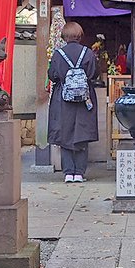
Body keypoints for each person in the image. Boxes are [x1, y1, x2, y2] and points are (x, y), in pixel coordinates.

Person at [48, 22, 99, 183]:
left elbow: (52, 75)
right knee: (82, 134)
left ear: (64, 36)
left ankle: (68, 173)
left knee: (65, 133)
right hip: (84, 99)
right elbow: (94, 74)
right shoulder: (88, 53)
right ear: (80, 35)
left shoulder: (58, 54)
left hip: (63, 99)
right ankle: (80, 173)